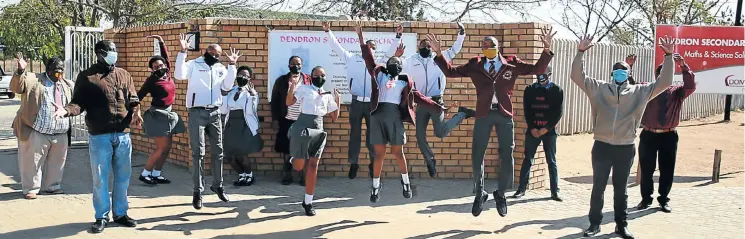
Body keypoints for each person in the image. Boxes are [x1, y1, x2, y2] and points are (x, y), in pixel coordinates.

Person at [428, 26, 556, 218]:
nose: (488, 48)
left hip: (504, 114)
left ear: (498, 47)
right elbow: (451, 72)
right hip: (483, 114)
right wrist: (439, 54)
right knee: (477, 154)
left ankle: (501, 193)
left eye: (492, 45)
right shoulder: (475, 64)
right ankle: (480, 193)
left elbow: (536, 69)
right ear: (482, 48)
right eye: (485, 45)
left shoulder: (511, 63)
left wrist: (546, 50)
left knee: (507, 154)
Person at [571, 35, 676, 239]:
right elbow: (577, 76)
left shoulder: (640, 92)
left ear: (628, 74)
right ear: (612, 73)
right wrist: (580, 52)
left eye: (624, 71)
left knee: (621, 189)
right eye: (617, 71)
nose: (620, 74)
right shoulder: (598, 88)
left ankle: (621, 225)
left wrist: (669, 56)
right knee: (598, 187)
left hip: (625, 147)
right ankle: (594, 224)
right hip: (601, 145)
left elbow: (665, 82)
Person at [55, 40, 142, 233]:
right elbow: (78, 103)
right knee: (100, 178)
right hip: (99, 135)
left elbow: (133, 98)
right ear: (100, 54)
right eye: (110, 51)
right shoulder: (87, 77)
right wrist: (66, 111)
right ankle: (101, 216)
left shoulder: (124, 74)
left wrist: (136, 110)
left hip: (123, 135)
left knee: (123, 177)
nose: (114, 54)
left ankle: (120, 214)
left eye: (115, 51)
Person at [357, 21, 447, 203]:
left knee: (398, 152)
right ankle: (375, 187)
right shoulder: (379, 75)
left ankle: (405, 183)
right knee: (379, 154)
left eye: (397, 63)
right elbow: (369, 59)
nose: (393, 64)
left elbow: (421, 98)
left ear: (401, 67)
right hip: (377, 117)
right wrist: (360, 37)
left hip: (394, 118)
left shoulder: (405, 82)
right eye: (391, 61)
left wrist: (439, 107)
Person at [321, 21, 399, 179]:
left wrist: (397, 36)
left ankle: (372, 164)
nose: (370, 48)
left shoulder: (379, 63)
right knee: (354, 134)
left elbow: (391, 52)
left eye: (373, 47)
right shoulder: (351, 58)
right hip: (356, 102)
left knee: (373, 135)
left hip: (372, 103)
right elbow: (336, 47)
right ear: (363, 47)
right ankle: (353, 163)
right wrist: (328, 31)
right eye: (368, 46)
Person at [390, 22, 468, 178]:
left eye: (428, 44)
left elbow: (455, 49)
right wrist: (396, 50)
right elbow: (395, 64)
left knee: (440, 133)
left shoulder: (439, 57)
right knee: (420, 135)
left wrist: (461, 32)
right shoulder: (411, 60)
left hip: (436, 101)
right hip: (420, 102)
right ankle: (430, 159)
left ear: (432, 46)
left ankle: (462, 115)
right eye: (423, 44)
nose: (425, 47)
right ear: (418, 46)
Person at [174, 33, 241, 210]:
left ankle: (217, 185)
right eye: (214, 55)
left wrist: (232, 65)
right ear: (207, 52)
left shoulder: (220, 68)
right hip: (197, 112)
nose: (216, 58)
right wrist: (182, 52)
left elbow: (227, 87)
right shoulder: (194, 64)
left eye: (219, 55)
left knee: (218, 151)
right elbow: (179, 75)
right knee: (198, 153)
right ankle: (198, 191)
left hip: (215, 113)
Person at [634, 55, 695, 213]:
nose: (662, 78)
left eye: (666, 74)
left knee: (667, 169)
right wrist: (628, 68)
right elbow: (631, 87)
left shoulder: (677, 92)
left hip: (669, 136)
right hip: (648, 134)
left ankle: (663, 200)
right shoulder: (647, 89)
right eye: (660, 75)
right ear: (656, 76)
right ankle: (646, 199)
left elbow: (690, 86)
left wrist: (684, 66)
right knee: (647, 169)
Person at [10, 54, 72, 200]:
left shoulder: (67, 84)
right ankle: (31, 188)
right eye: (56, 72)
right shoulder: (34, 79)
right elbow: (16, 88)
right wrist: (20, 71)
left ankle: (53, 186)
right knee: (32, 162)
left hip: (60, 132)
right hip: (37, 130)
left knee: (57, 162)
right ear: (48, 71)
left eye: (62, 72)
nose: (59, 75)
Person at [286, 66, 340, 216]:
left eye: (322, 75)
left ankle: (308, 202)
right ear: (311, 76)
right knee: (298, 166)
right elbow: (289, 102)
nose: (320, 77)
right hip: (303, 126)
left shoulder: (327, 95)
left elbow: (335, 117)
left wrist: (338, 101)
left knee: (313, 165)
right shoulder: (304, 89)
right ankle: (293, 159)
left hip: (318, 129)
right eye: (317, 75)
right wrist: (293, 88)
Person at [137, 35, 186, 185]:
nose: (159, 68)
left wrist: (160, 40)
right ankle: (145, 173)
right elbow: (138, 96)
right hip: (157, 114)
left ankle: (156, 173)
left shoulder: (168, 73)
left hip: (169, 113)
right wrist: (136, 112)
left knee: (168, 147)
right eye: (155, 67)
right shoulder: (151, 80)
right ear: (151, 69)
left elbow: (165, 56)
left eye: (161, 65)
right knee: (161, 147)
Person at [513, 66, 564, 201]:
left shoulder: (557, 90)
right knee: (528, 159)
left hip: (549, 131)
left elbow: (558, 113)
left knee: (551, 161)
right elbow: (527, 110)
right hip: (533, 130)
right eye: (539, 75)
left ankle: (555, 191)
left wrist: (546, 128)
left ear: (549, 75)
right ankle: (521, 189)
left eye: (544, 75)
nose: (541, 78)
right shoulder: (530, 90)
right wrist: (532, 128)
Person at [219, 66, 264, 186]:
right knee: (229, 155)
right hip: (231, 124)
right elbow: (223, 110)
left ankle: (249, 175)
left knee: (241, 153)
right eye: (240, 75)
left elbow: (250, 111)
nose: (242, 78)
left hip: (244, 124)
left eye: (245, 76)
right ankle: (241, 175)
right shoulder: (232, 90)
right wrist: (223, 95)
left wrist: (253, 96)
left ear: (249, 79)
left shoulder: (251, 93)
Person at [271, 56, 311, 185]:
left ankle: (302, 174)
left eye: (298, 64)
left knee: (303, 148)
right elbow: (275, 101)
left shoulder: (307, 80)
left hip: (303, 120)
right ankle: (287, 173)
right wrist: (275, 119)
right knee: (286, 148)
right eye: (293, 64)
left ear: (302, 65)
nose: (296, 66)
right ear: (289, 66)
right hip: (286, 119)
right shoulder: (282, 81)